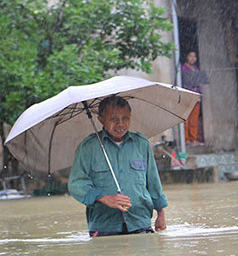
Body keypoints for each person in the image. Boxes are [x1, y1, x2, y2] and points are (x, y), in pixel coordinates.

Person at [68, 96, 167, 237]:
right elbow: (76, 184)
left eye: (125, 118)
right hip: (104, 225)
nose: (120, 124)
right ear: (101, 120)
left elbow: (153, 181)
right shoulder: (88, 147)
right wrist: (104, 197)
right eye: (113, 119)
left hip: (140, 222)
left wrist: (161, 214)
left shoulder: (141, 144)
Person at [181, 51, 209, 146]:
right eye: (190, 56)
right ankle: (186, 139)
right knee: (186, 119)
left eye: (194, 56)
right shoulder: (183, 68)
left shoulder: (196, 69)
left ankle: (194, 139)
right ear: (187, 57)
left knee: (194, 120)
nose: (192, 58)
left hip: (196, 97)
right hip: (187, 96)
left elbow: (200, 84)